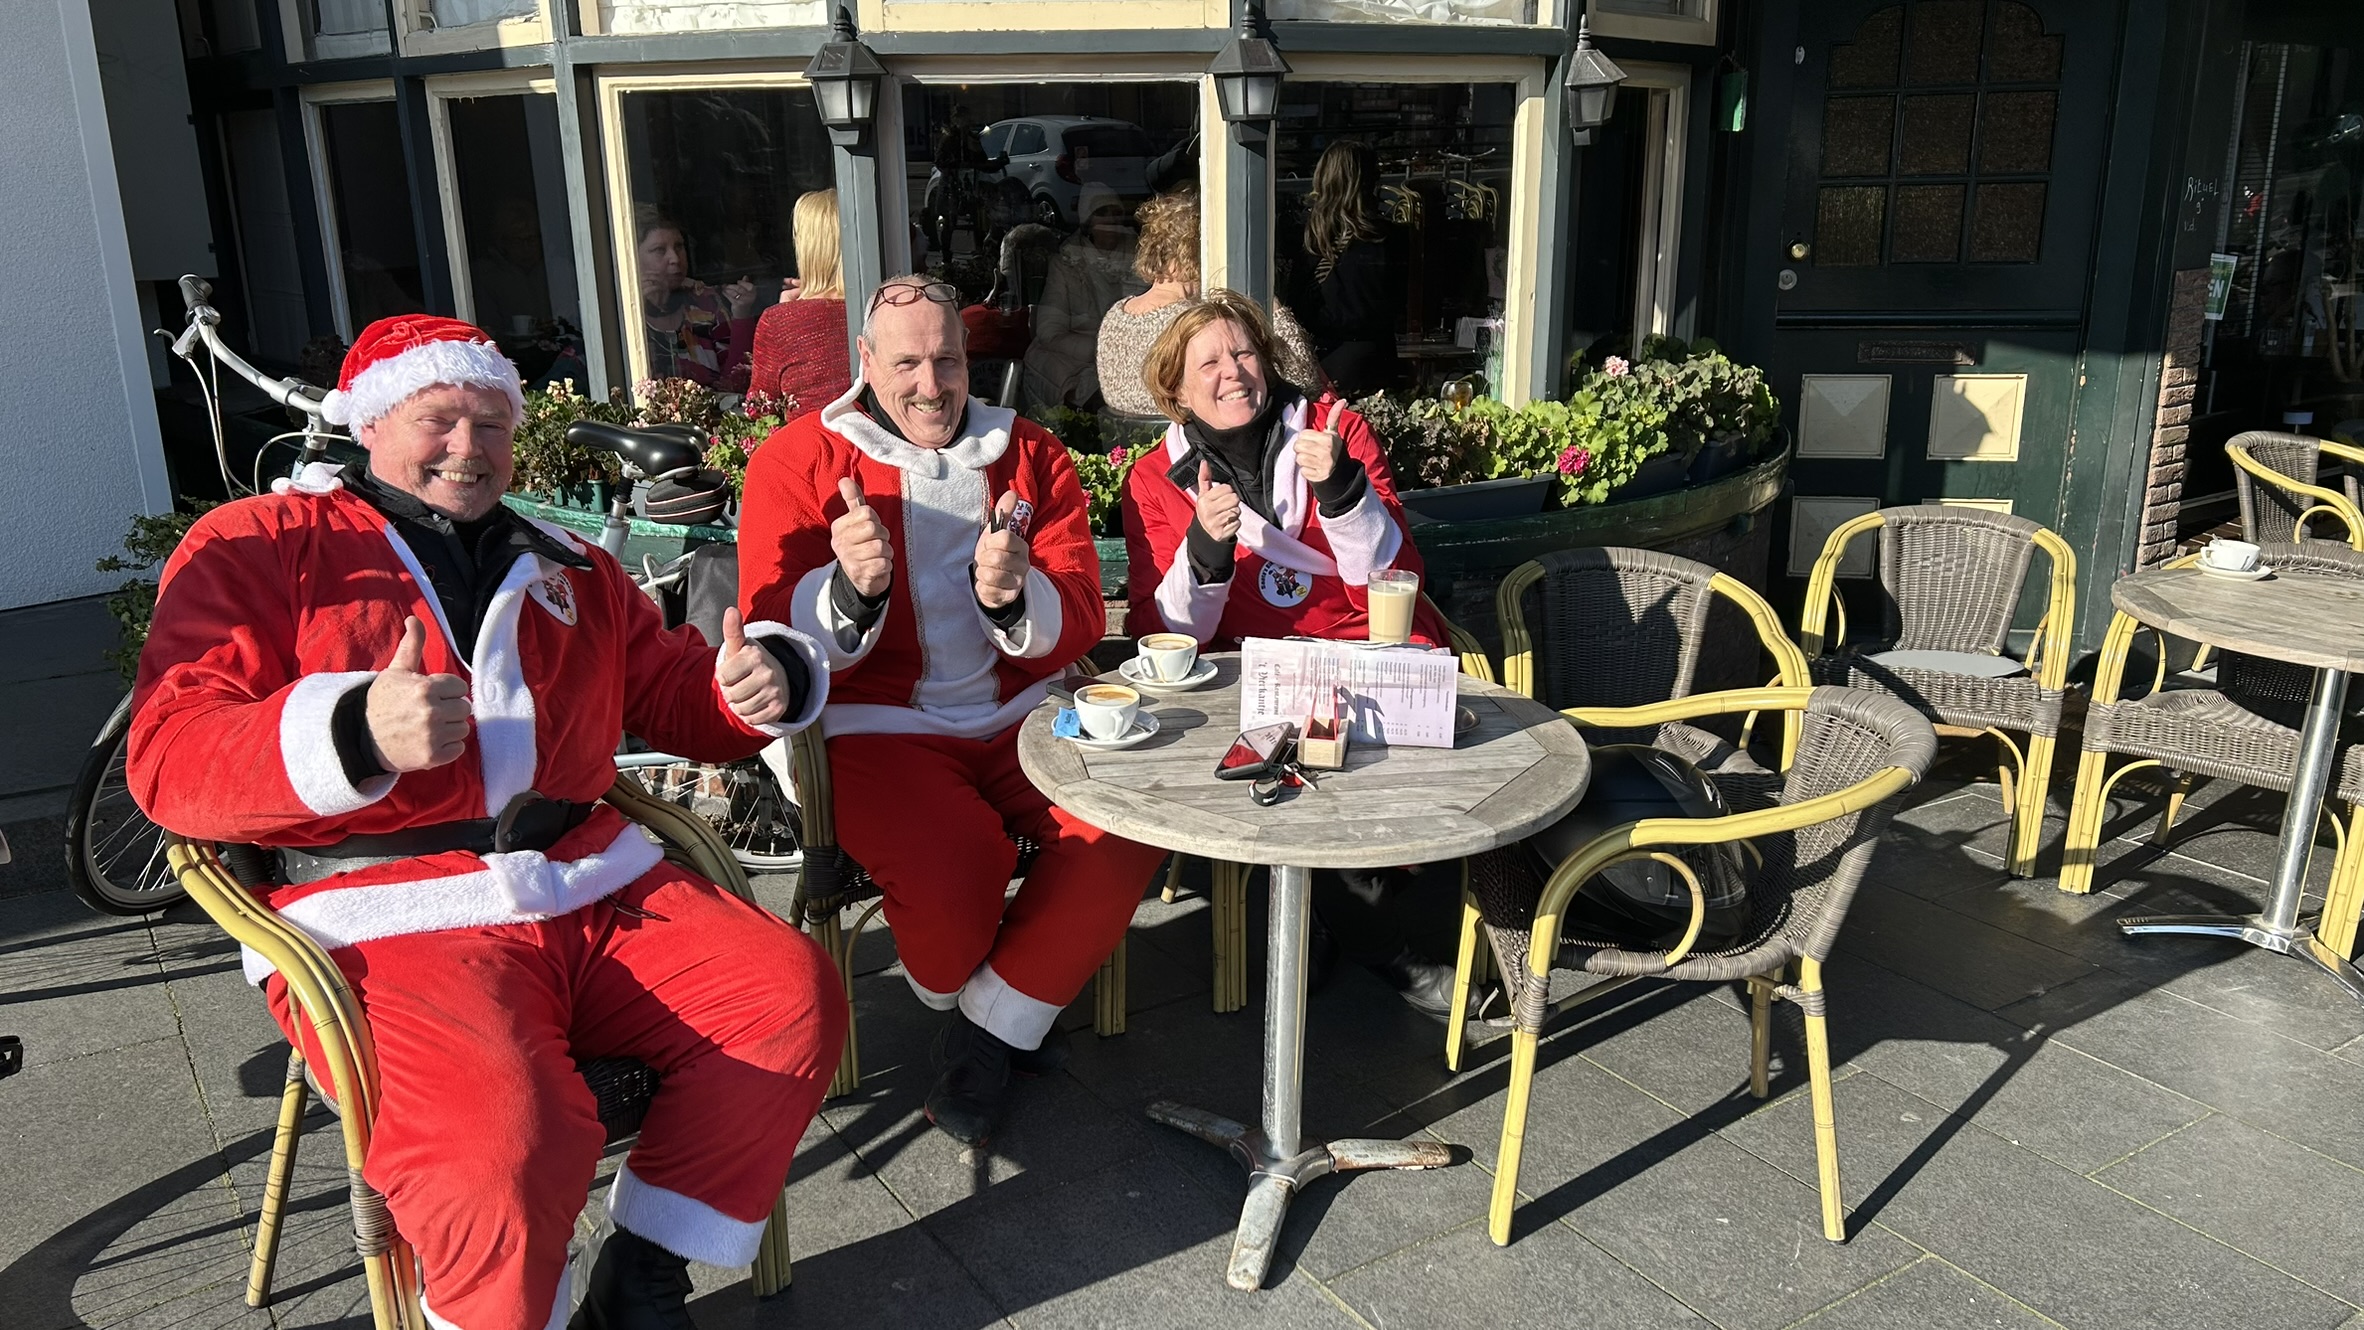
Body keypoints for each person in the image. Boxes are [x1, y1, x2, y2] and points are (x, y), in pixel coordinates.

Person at [127, 315, 846, 1330]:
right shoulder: (257, 545)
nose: (470, 447)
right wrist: (355, 731)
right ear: (373, 423)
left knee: (788, 999)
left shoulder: (571, 566)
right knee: (502, 1144)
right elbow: (167, 755)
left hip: (587, 881)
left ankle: (643, 1275)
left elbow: (675, 696)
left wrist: (752, 680)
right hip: (382, 912)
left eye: (492, 424)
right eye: (441, 419)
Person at [736, 276, 1167, 1146]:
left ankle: (984, 1033)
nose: (930, 386)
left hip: (1021, 711)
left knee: (1128, 824)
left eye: (947, 361)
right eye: (906, 363)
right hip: (870, 723)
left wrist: (1015, 598)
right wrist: (849, 591)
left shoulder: (1032, 452)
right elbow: (769, 622)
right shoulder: (792, 462)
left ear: (970, 360)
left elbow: (1081, 605)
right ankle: (1018, 999)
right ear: (864, 363)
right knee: (956, 866)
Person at [1119, 290, 1466, 1017]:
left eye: (1244, 353)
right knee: (1289, 769)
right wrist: (1207, 550)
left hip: (1363, 647)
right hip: (1253, 671)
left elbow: (1396, 578)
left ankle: (1322, 922)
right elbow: (1165, 628)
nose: (1233, 372)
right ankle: (1379, 945)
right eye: (1207, 362)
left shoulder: (1338, 431)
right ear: (1175, 389)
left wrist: (1342, 490)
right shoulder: (1154, 480)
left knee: (1385, 780)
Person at [1095, 190, 1323, 421]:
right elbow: (1304, 382)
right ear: (1199, 252)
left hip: (1124, 444)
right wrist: (1269, 301)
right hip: (1193, 445)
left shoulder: (1115, 315)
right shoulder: (1200, 324)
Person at [1293, 139, 1408, 398]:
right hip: (1374, 363)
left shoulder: (1306, 238)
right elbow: (1398, 307)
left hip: (1320, 364)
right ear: (1366, 184)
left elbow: (1296, 307)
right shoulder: (1386, 239)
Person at [1021, 183, 1144, 413]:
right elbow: (1049, 330)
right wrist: (1097, 348)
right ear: (1088, 223)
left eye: (1115, 213)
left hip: (1131, 347)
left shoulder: (1140, 257)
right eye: (1102, 214)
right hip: (1079, 351)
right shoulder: (1067, 262)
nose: (1111, 221)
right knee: (1047, 365)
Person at [749, 190, 851, 420]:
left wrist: (785, 317)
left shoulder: (779, 322)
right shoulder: (884, 308)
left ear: (807, 249)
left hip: (811, 450)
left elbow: (760, 411)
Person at [635, 206, 759, 392]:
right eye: (659, 250)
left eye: (679, 247)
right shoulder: (625, 317)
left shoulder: (704, 302)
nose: (675, 259)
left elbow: (737, 382)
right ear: (633, 258)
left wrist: (741, 314)